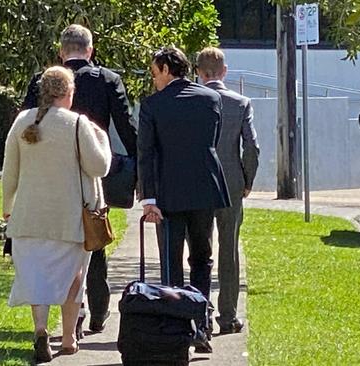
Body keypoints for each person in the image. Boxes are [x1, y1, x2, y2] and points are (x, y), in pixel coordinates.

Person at [23, 24, 137, 337]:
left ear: (61, 51)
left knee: (55, 246)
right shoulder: (107, 80)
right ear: (90, 49)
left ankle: (66, 315)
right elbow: (126, 126)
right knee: (93, 238)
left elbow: (26, 125)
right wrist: (140, 164)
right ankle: (97, 312)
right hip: (92, 169)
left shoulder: (41, 81)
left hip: (51, 171)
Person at [3, 66, 112, 363]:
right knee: (73, 278)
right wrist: (101, 138)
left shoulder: (22, 121)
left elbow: (10, 170)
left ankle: (40, 329)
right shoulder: (78, 124)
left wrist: (7, 206)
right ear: (69, 92)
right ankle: (68, 338)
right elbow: (99, 167)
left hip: (28, 216)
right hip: (70, 218)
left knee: (36, 277)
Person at [138, 46, 231, 353]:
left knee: (171, 262)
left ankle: (177, 327)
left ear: (166, 69)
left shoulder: (153, 105)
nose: (154, 80)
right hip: (204, 188)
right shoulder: (211, 99)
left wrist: (148, 197)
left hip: (167, 193)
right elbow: (212, 141)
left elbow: (146, 154)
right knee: (202, 258)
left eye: (155, 73)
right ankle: (201, 323)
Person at [196, 47, 259, 335]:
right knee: (229, 250)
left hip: (199, 182)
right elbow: (251, 147)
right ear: (224, 71)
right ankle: (228, 314)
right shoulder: (241, 103)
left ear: (198, 72)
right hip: (231, 181)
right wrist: (247, 179)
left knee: (199, 250)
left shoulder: (192, 101)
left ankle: (201, 311)